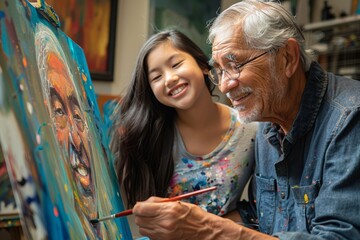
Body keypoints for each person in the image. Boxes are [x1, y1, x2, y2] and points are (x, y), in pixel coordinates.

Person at [131, 0, 360, 239]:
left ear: (287, 58)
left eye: (235, 65)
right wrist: (192, 221)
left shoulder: (349, 118)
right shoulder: (265, 121)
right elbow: (262, 214)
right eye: (220, 69)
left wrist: (209, 229)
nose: (224, 85)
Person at [110, 29, 257, 217]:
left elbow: (263, 205)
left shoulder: (251, 128)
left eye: (176, 64)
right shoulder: (147, 137)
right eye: (156, 77)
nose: (169, 79)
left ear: (203, 65)